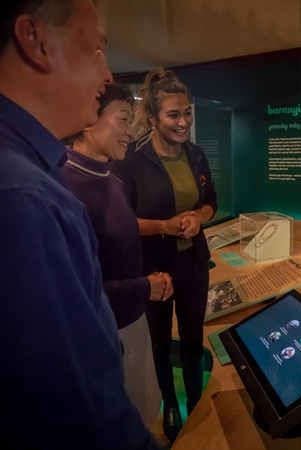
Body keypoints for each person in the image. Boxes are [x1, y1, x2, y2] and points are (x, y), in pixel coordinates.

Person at [0, 1, 161, 449]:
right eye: (94, 49)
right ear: (34, 40)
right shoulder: (24, 197)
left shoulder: (35, 173)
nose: (108, 74)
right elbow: (73, 406)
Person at [112, 67, 217, 443]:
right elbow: (122, 222)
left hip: (193, 265)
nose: (183, 121)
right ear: (154, 118)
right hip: (154, 271)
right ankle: (170, 404)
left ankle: (195, 398)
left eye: (187, 112)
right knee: (159, 342)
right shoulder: (132, 160)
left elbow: (211, 203)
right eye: (174, 114)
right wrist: (165, 226)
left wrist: (198, 218)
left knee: (192, 337)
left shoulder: (196, 153)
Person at [62, 81, 173, 428]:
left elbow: (123, 248)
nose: (131, 131)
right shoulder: (63, 187)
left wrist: (153, 274)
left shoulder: (112, 180)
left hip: (132, 321)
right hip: (103, 334)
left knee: (141, 414)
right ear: (86, 120)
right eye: (123, 119)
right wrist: (145, 287)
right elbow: (73, 293)